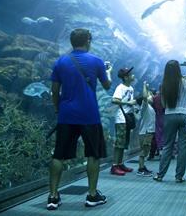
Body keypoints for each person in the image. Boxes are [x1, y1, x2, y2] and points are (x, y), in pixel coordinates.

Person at [48, 28, 111, 210]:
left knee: (58, 154)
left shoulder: (61, 62)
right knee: (93, 153)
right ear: (88, 40)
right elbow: (107, 86)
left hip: (67, 115)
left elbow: (54, 90)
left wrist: (58, 109)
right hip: (89, 115)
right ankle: (92, 195)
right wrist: (108, 72)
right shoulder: (96, 61)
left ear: (71, 42)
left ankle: (53, 196)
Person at [153, 60, 186, 183]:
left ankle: (160, 175)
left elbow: (163, 104)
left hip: (169, 115)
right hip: (185, 115)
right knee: (183, 147)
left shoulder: (164, 84)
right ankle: (179, 176)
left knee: (168, 145)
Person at [110, 67, 136, 175]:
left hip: (127, 118)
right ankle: (114, 166)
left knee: (124, 143)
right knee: (119, 143)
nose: (133, 75)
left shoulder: (130, 88)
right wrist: (128, 103)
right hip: (121, 118)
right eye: (131, 74)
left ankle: (120, 163)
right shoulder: (120, 87)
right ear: (125, 77)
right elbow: (114, 99)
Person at [135, 82, 155, 176]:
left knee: (145, 151)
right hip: (146, 132)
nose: (152, 96)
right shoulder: (145, 106)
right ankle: (140, 169)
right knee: (144, 151)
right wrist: (145, 86)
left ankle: (142, 167)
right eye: (150, 95)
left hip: (148, 132)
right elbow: (144, 97)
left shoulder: (149, 107)